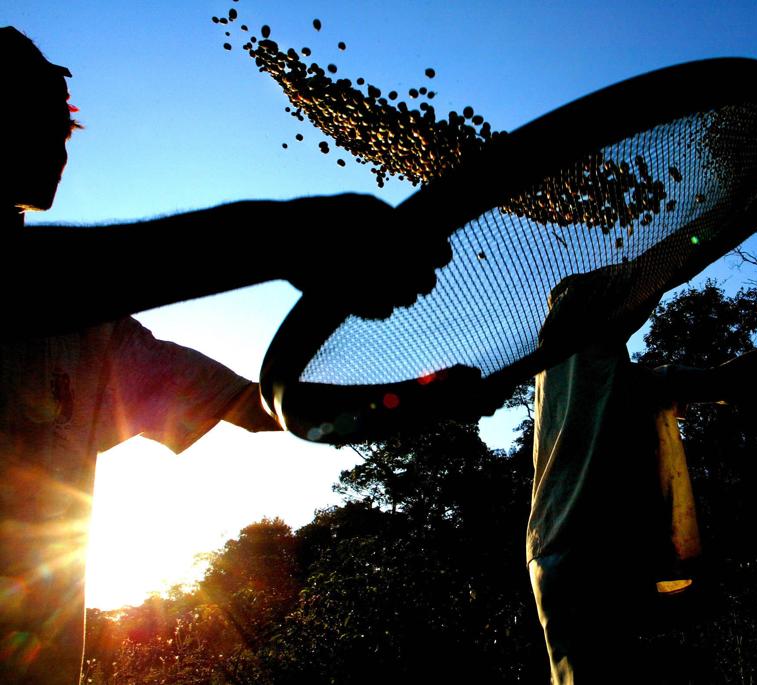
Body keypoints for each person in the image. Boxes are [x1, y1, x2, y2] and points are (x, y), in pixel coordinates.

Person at [0, 27, 445, 684]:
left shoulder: (97, 336)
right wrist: (282, 234)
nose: (59, 143)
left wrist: (413, 397)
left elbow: (254, 404)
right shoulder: (56, 292)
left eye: (63, 123)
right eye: (30, 112)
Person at [527, 271, 703, 684]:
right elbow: (655, 276)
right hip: (577, 550)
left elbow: (722, 381)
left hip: (568, 548)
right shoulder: (585, 362)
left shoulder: (567, 368)